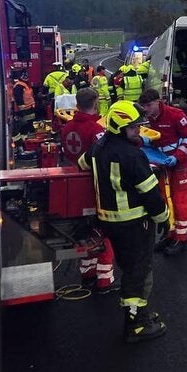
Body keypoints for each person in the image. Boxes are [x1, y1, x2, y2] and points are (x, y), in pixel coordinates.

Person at [77, 100, 170, 343]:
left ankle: (140, 314)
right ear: (119, 127)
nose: (138, 131)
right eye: (133, 128)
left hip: (108, 222)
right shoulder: (133, 155)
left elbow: (82, 163)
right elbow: (151, 194)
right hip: (135, 224)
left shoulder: (99, 146)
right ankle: (136, 324)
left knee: (129, 269)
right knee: (137, 272)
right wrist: (164, 219)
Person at [60, 88, 117, 294]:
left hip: (74, 183)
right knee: (103, 234)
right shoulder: (95, 129)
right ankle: (104, 281)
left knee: (85, 232)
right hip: (95, 185)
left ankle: (87, 275)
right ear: (94, 103)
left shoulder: (67, 127)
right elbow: (105, 155)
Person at [139, 88, 187, 256]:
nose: (146, 109)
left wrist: (177, 157)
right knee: (164, 200)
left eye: (148, 105)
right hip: (162, 165)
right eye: (144, 106)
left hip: (179, 164)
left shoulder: (176, 115)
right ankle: (170, 234)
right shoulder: (147, 118)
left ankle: (182, 239)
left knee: (180, 201)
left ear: (158, 102)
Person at [10, 69, 35, 143]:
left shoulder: (25, 85)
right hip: (23, 111)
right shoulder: (18, 86)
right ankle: (21, 144)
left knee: (28, 127)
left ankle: (26, 142)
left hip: (29, 110)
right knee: (23, 128)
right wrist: (22, 110)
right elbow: (19, 99)